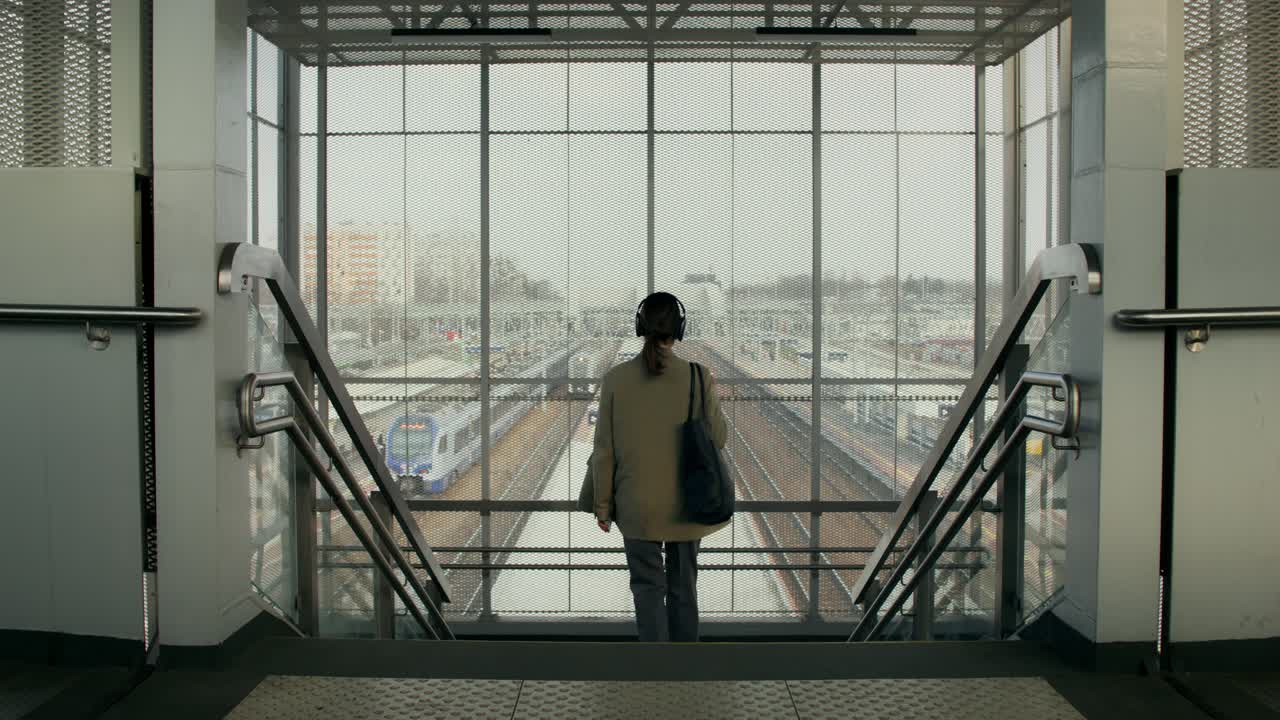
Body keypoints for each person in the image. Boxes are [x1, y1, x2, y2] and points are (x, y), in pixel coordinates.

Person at [590, 291, 729, 642]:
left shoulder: (615, 380)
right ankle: (684, 671)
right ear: (679, 328)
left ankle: (653, 671)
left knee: (647, 588)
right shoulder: (698, 377)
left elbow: (604, 451)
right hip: (688, 502)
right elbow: (720, 438)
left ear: (640, 326)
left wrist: (603, 507)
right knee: (684, 587)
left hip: (637, 507)